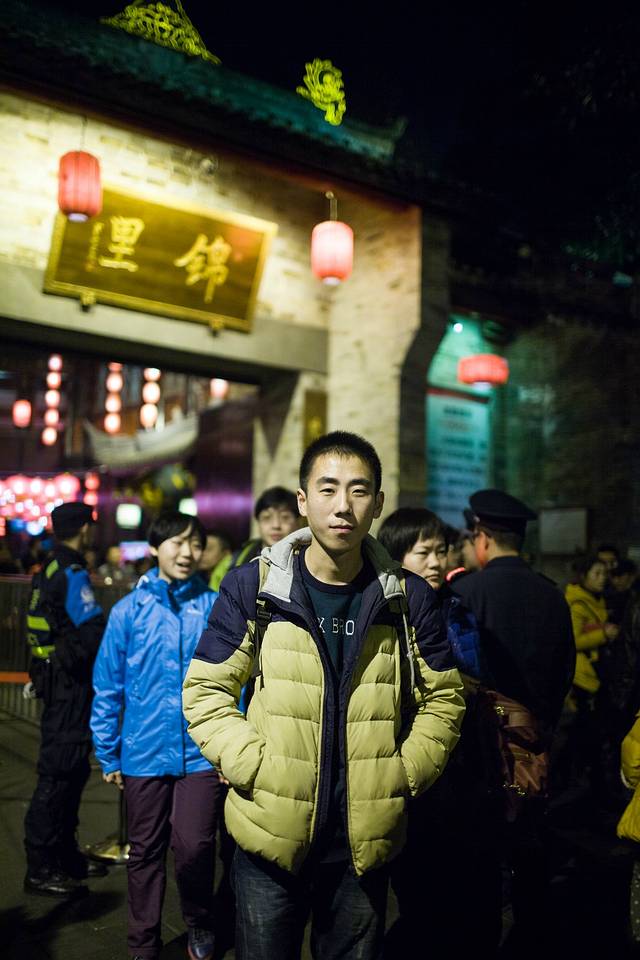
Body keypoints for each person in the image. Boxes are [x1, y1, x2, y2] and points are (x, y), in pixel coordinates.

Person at [183, 431, 465, 960]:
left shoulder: (406, 597)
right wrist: (253, 766)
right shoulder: (256, 587)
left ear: (378, 503)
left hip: (364, 845)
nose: (343, 506)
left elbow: (444, 698)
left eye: (359, 491)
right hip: (268, 835)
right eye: (328, 488)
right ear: (302, 500)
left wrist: (402, 775)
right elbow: (206, 689)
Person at [451, 488, 575, 955]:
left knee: (479, 854)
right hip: (533, 746)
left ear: (481, 537)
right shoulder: (552, 595)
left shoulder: (466, 593)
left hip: (478, 751)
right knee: (529, 845)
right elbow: (564, 670)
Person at [91, 511, 220, 960]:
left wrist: (230, 746)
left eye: (195, 544)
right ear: (154, 547)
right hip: (142, 751)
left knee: (195, 846)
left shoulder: (214, 607)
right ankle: (142, 942)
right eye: (177, 543)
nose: (187, 553)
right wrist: (108, 753)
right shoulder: (128, 611)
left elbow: (237, 681)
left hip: (201, 751)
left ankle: (199, 920)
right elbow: (108, 686)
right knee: (144, 851)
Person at [377, 506, 484, 955]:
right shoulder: (383, 611)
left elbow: (475, 672)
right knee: (410, 877)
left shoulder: (457, 608)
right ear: (396, 555)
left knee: (448, 878)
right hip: (398, 760)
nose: (437, 562)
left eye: (441, 551)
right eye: (424, 553)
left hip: (456, 761)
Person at [23, 501, 107, 897]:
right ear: (84, 529)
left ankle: (64, 856)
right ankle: (41, 866)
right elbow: (91, 631)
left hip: (57, 680)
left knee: (70, 770)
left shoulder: (50, 566)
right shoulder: (71, 571)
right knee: (59, 773)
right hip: (69, 686)